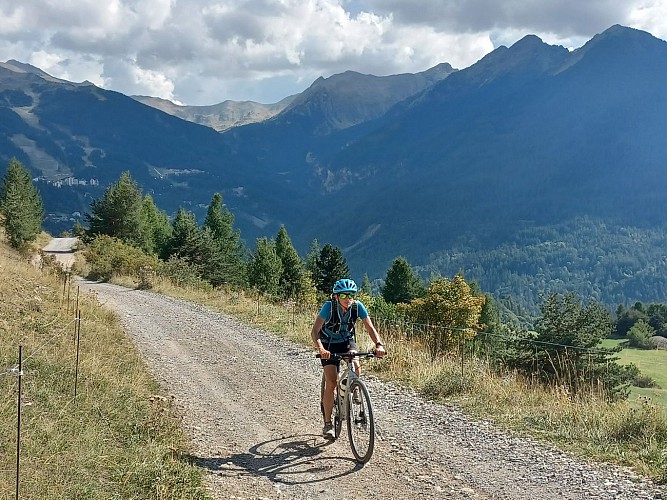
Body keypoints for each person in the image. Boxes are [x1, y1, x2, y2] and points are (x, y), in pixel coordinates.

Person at [310, 278, 386, 439]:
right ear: (336, 296)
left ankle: (353, 388)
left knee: (356, 367)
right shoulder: (328, 307)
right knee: (331, 382)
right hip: (328, 344)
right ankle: (328, 423)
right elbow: (315, 330)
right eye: (343, 295)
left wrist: (379, 345)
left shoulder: (357, 307)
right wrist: (321, 349)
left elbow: (370, 327)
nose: (348, 298)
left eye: (351, 294)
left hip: (346, 341)